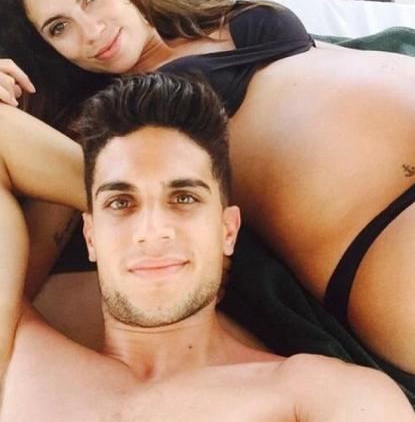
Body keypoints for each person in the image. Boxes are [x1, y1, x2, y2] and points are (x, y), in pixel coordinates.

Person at [1, 0, 415, 379]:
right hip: (385, 228)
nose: (92, 30)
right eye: (59, 27)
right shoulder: (104, 121)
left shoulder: (210, 14)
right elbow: (25, 267)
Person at [1, 72, 413, 420]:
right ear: (91, 236)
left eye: (183, 198)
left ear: (228, 231)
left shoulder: (318, 395)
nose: (152, 230)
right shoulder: (18, 357)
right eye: (121, 203)